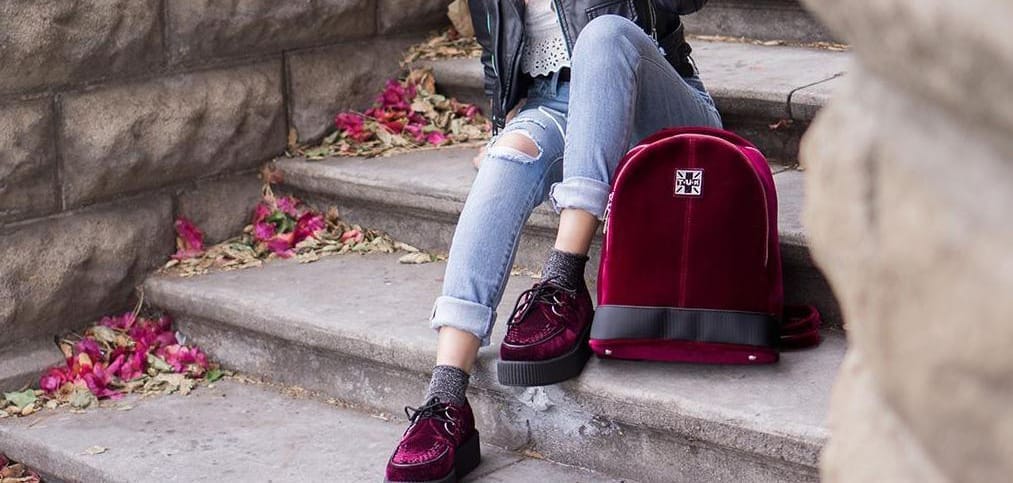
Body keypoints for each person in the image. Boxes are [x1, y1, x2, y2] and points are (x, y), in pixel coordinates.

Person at [385, 1, 721, 481]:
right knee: (506, 158)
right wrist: (500, 128)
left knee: (603, 34)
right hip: (554, 102)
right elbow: (495, 53)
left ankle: (563, 279)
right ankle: (446, 399)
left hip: (653, 98)